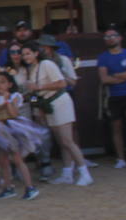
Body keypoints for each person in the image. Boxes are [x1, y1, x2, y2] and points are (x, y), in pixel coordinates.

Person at [16, 43, 92, 186]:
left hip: (59, 102)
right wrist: (29, 100)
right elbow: (34, 95)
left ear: (35, 54)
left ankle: (84, 172)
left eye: (28, 53)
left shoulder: (46, 64)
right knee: (62, 142)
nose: (25, 57)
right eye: (24, 54)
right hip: (48, 105)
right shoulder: (32, 70)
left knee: (67, 140)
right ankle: (67, 173)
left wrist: (39, 87)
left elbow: (62, 83)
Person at [0, 70, 42, 200]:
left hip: (10, 129)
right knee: (3, 160)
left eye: (2, 82)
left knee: (17, 158)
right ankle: (8, 187)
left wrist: (7, 100)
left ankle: (30, 187)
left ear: (10, 84)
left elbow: (14, 114)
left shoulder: (15, 96)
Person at [97, 27, 126, 167]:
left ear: (119, 38)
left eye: (113, 36)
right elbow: (104, 79)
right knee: (116, 127)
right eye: (106, 37)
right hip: (114, 96)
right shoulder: (103, 57)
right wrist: (124, 76)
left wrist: (116, 76)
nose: (110, 38)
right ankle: (120, 158)